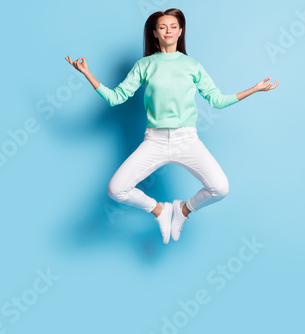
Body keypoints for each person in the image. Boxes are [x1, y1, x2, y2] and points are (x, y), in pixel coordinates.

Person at [65, 8, 278, 245]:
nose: (168, 31)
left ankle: (182, 211)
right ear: (155, 33)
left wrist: (254, 89)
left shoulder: (192, 65)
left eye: (173, 27)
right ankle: (161, 211)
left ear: (181, 31)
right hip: (154, 141)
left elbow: (217, 101)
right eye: (163, 27)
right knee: (116, 189)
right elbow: (115, 98)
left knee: (220, 188)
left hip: (187, 140)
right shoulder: (145, 65)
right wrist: (86, 73)